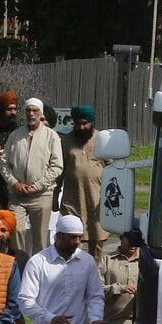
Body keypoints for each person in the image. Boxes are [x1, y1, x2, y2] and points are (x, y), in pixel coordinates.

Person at [4, 98, 65, 250]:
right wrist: (14, 183)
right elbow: (4, 163)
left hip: (41, 195)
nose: (31, 114)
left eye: (35, 111)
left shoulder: (51, 136)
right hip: (17, 195)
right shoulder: (15, 135)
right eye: (28, 111)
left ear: (40, 113)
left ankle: (39, 269)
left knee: (40, 237)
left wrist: (37, 186)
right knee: (16, 230)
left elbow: (57, 166)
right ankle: (21, 266)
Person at [60, 105, 107, 251]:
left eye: (84, 123)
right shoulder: (66, 141)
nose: (81, 127)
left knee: (97, 235)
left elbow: (113, 167)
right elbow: (60, 169)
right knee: (71, 234)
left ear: (92, 122)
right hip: (72, 197)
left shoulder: (102, 139)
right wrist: (55, 197)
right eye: (78, 123)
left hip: (96, 196)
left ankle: (95, 268)